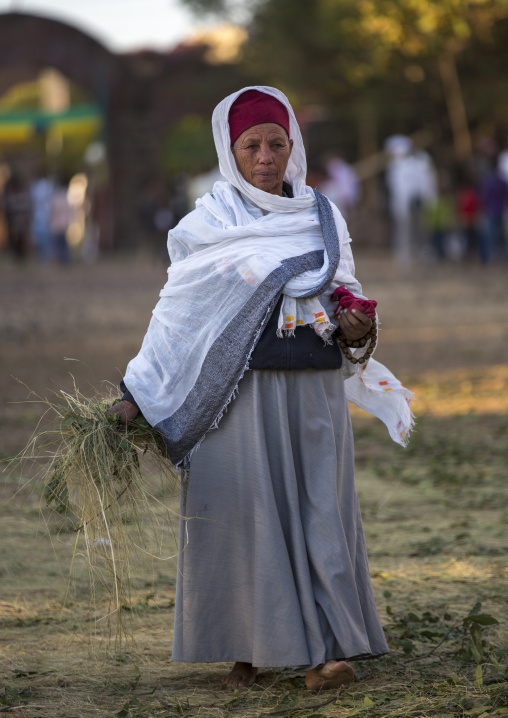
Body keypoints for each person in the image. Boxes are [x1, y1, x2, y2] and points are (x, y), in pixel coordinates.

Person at [109, 87, 412, 691]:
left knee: (319, 512)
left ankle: (327, 652)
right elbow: (180, 317)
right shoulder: (208, 224)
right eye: (252, 144)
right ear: (230, 149)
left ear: (293, 146)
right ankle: (243, 648)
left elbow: (344, 289)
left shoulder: (322, 215)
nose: (266, 156)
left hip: (314, 392)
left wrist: (359, 324)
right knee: (240, 513)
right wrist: (137, 394)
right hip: (236, 399)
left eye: (277, 143)